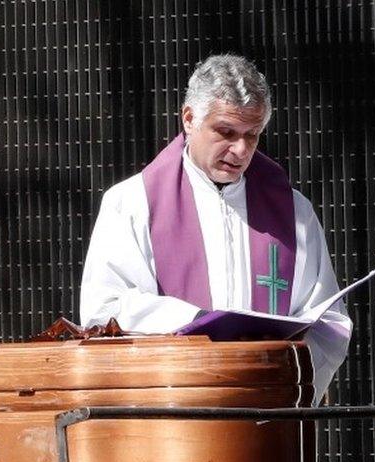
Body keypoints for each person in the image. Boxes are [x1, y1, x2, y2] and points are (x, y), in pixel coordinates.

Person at [79, 54, 352, 403]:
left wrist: (289, 384)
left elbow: (328, 321)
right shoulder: (132, 203)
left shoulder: (292, 211)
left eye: (251, 135)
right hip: (172, 412)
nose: (240, 150)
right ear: (189, 118)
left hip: (268, 412)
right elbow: (104, 309)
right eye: (226, 132)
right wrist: (201, 322)